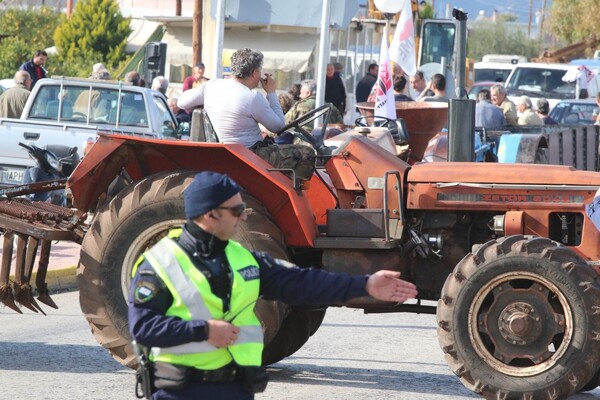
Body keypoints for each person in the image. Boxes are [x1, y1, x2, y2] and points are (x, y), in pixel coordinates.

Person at [128, 171, 418, 400]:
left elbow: (304, 282)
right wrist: (203, 331)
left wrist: (365, 284)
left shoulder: (243, 259)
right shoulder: (160, 263)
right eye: (236, 209)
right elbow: (142, 327)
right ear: (210, 214)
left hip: (235, 389)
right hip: (181, 391)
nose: (243, 215)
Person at [178, 48, 315, 181]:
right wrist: (271, 93)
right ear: (255, 73)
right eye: (260, 72)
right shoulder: (252, 97)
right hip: (249, 155)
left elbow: (182, 102)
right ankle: (291, 196)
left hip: (224, 153)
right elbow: (278, 127)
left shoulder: (211, 86)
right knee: (307, 154)